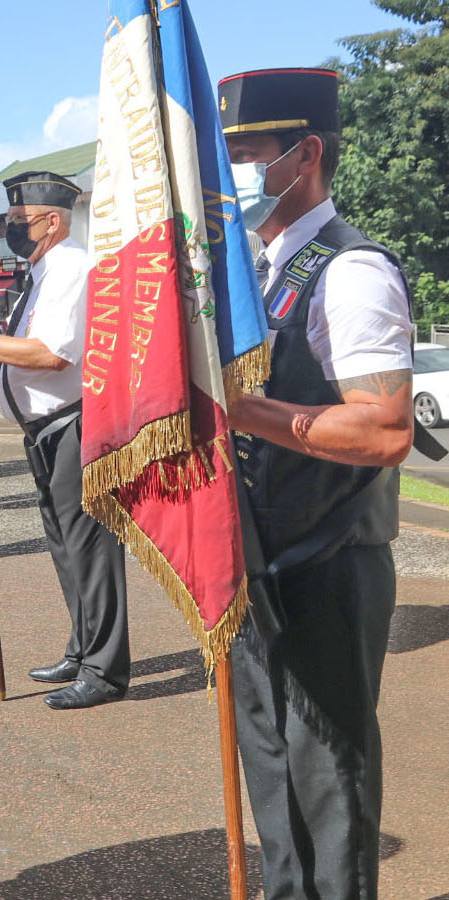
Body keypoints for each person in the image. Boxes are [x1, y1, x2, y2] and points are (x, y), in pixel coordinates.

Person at [219, 68, 416, 900]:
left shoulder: (351, 270)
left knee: (327, 774)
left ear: (305, 155)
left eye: (247, 151)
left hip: (326, 562)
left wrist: (241, 409)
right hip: (253, 561)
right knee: (270, 767)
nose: (231, 171)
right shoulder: (253, 273)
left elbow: (385, 428)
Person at [0, 171, 130, 711]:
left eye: (17, 221)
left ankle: (105, 670)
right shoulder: (41, 272)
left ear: (52, 222)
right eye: (8, 220)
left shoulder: (72, 268)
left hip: (77, 425)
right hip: (47, 431)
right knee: (64, 546)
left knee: (91, 549)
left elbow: (52, 353)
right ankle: (82, 648)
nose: (10, 228)